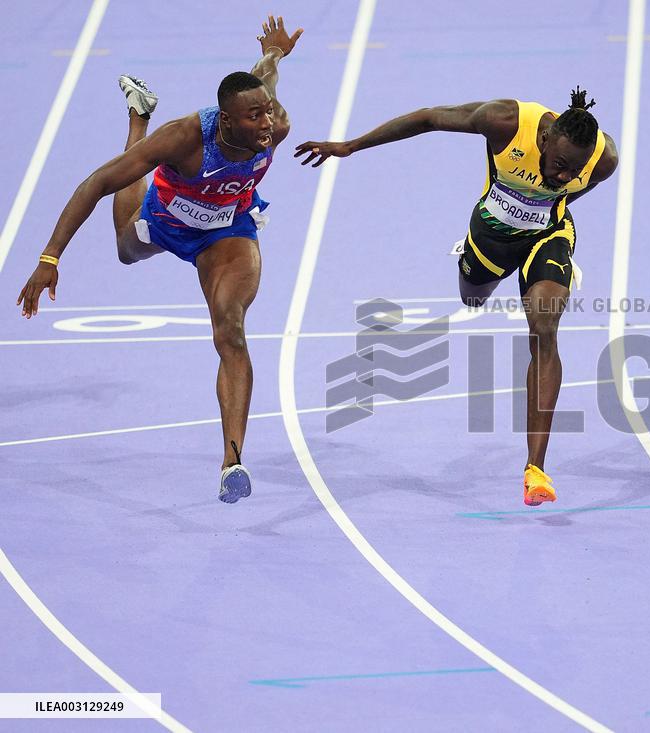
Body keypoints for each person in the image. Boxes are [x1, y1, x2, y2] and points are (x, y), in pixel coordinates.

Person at [16, 16, 303, 503]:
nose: (266, 124)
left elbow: (263, 78)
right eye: (254, 117)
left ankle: (232, 462)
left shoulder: (273, 122)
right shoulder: (184, 138)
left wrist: (274, 54)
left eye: (268, 113)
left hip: (228, 230)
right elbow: (96, 183)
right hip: (168, 218)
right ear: (225, 120)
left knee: (230, 329)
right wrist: (50, 257)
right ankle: (138, 119)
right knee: (125, 250)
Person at [296, 88, 619, 506]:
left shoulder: (602, 160)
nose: (562, 176)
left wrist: (548, 201)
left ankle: (536, 469)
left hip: (548, 235)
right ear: (544, 139)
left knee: (544, 327)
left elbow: (570, 188)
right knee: (473, 298)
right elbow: (429, 117)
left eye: (573, 170)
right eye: (559, 164)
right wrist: (351, 145)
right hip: (489, 237)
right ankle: (470, 259)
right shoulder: (505, 122)